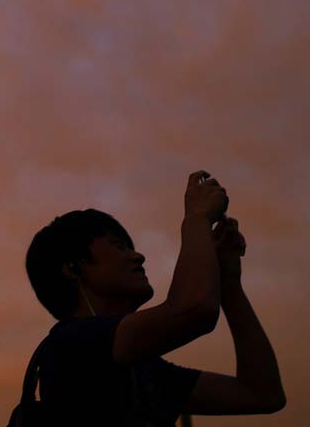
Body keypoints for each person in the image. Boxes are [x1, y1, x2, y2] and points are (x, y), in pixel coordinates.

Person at [22, 171, 285, 425]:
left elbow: (262, 393)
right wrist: (197, 218)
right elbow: (195, 309)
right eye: (119, 246)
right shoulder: (71, 345)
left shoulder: (146, 371)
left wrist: (228, 281)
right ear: (72, 268)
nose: (138, 256)